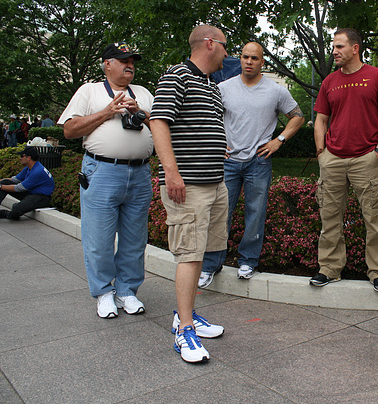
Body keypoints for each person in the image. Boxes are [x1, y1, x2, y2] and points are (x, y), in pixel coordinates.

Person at [149, 25, 228, 363]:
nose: (228, 53)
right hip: (189, 185)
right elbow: (158, 121)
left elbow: (196, 124)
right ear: (209, 44)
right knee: (189, 254)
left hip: (214, 182)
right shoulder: (176, 76)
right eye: (225, 46)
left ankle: (189, 313)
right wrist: (171, 171)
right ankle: (184, 330)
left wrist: (217, 144)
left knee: (203, 250)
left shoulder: (211, 85)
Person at [59, 42, 154, 320]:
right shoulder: (89, 91)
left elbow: (162, 128)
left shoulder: (145, 94)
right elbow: (69, 130)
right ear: (107, 64)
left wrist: (141, 112)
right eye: (123, 60)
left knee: (135, 238)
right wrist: (108, 111)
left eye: (133, 61)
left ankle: (127, 291)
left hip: (139, 173)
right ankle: (103, 292)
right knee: (98, 237)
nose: (130, 66)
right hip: (101, 172)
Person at [199, 42, 305, 286]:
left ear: (262, 62)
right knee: (219, 215)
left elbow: (298, 117)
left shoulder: (275, 91)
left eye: (254, 58)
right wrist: (216, 141)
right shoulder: (223, 88)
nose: (249, 61)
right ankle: (210, 265)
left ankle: (248, 261)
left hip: (259, 160)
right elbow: (207, 116)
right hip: (227, 162)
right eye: (245, 57)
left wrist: (279, 140)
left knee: (255, 214)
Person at [311, 28, 378, 291]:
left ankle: (376, 271)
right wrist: (321, 153)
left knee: (374, 220)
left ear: (355, 48)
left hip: (366, 159)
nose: (334, 52)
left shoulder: (377, 77)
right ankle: (329, 268)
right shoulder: (329, 82)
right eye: (334, 47)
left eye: (339, 46)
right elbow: (320, 120)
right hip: (333, 159)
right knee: (329, 218)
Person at [0, 146, 54, 220]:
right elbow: (15, 180)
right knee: (5, 182)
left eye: (22, 156)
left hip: (41, 197)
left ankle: (7, 214)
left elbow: (19, 188)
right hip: (30, 193)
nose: (20, 158)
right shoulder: (29, 167)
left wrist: (0, 186)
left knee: (16, 210)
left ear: (29, 158)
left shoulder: (38, 171)